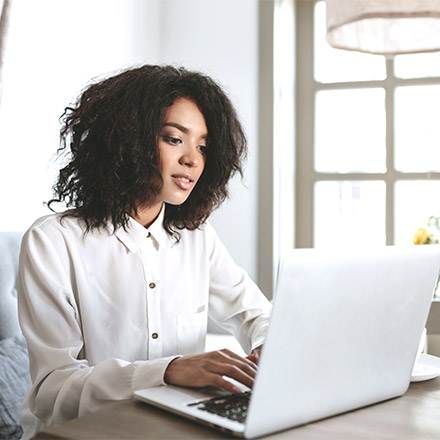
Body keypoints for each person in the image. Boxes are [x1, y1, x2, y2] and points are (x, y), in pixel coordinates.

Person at [17, 65, 272, 439]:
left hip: (171, 430)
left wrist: (269, 347)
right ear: (127, 140)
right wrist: (167, 370)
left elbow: (256, 314)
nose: (193, 159)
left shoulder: (197, 237)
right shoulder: (52, 242)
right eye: (174, 139)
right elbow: (52, 392)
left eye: (202, 145)